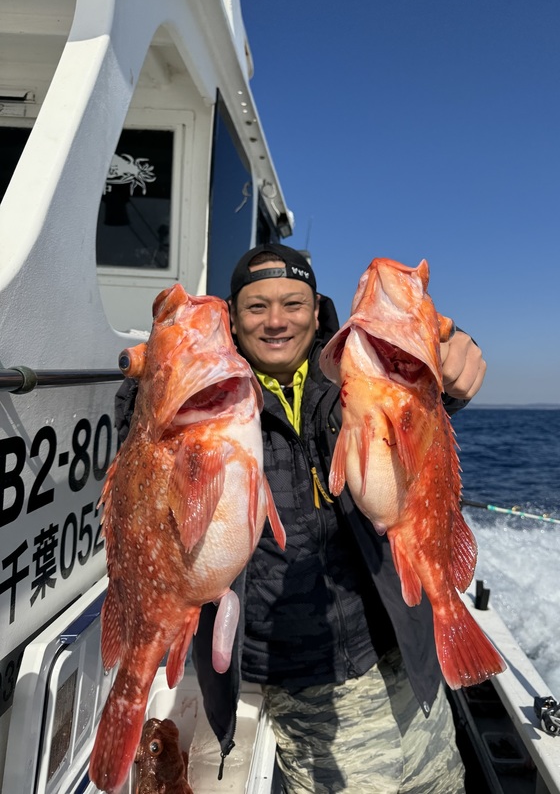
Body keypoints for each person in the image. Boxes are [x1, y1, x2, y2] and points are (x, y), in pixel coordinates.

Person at [187, 244, 487, 794]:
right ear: (231, 316)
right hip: (301, 681)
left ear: (316, 306)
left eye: (293, 303)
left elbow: (423, 403)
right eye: (256, 307)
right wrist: (156, 381)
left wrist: (448, 346)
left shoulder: (354, 365)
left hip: (400, 652)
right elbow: (149, 429)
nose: (276, 321)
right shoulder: (209, 395)